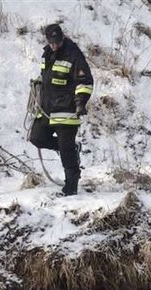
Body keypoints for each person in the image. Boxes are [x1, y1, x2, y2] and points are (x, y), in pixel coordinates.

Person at [28, 23, 93, 196]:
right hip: (47, 108)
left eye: (57, 42)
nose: (55, 45)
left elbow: (85, 81)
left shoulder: (74, 54)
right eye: (52, 42)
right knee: (36, 137)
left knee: (65, 148)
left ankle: (70, 187)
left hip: (67, 108)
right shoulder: (47, 53)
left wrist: (81, 102)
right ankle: (73, 148)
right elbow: (47, 78)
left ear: (62, 37)